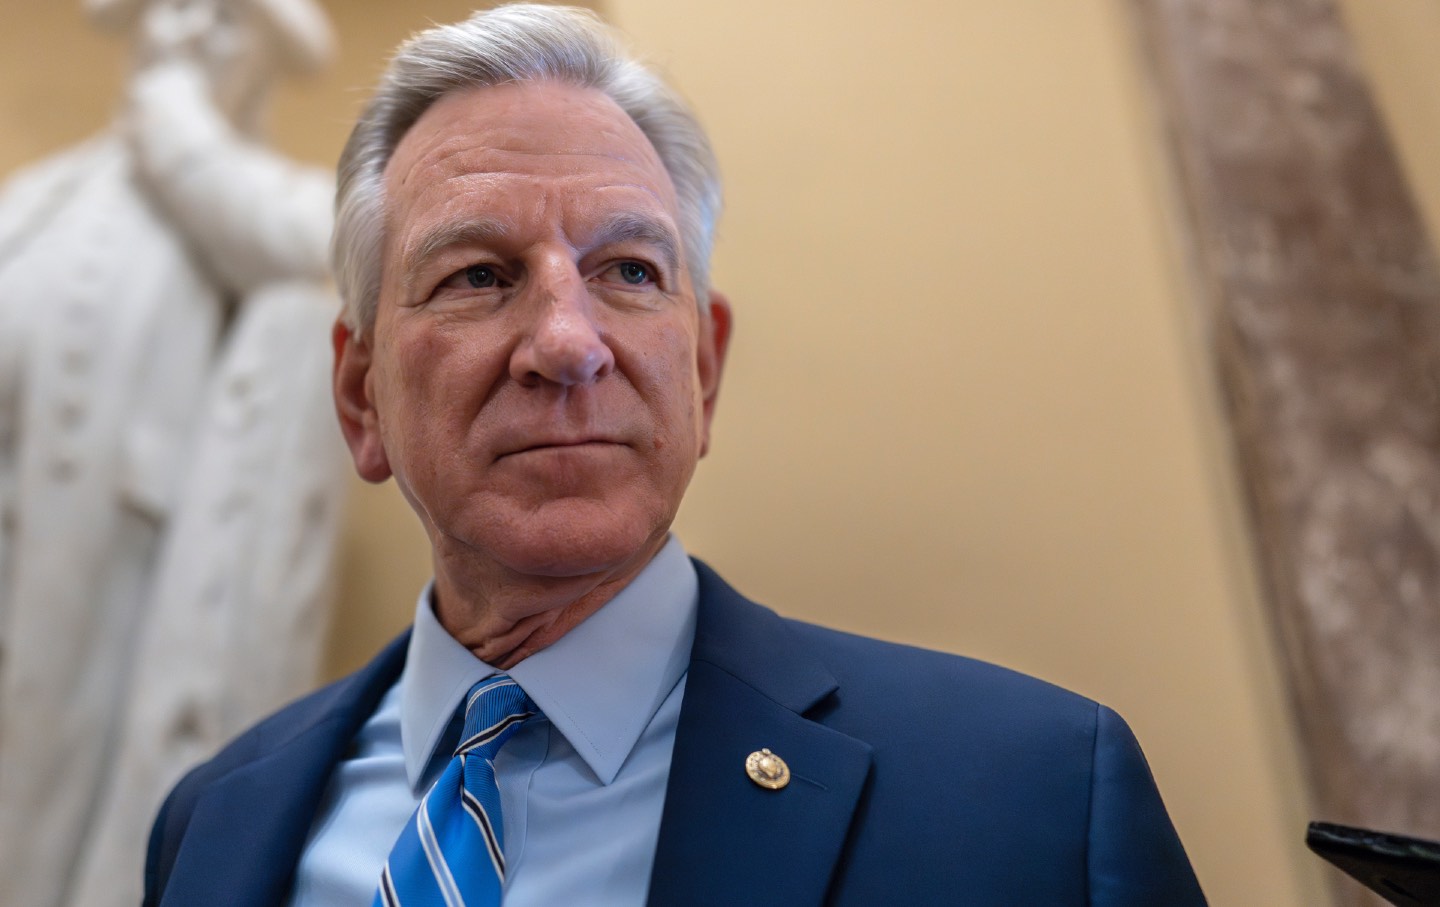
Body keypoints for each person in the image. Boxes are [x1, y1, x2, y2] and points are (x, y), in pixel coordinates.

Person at [142, 5, 1208, 905]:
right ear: (357, 393)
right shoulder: (214, 826)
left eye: (632, 272)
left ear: (703, 371)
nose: (566, 341)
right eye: (477, 275)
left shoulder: (1038, 797)